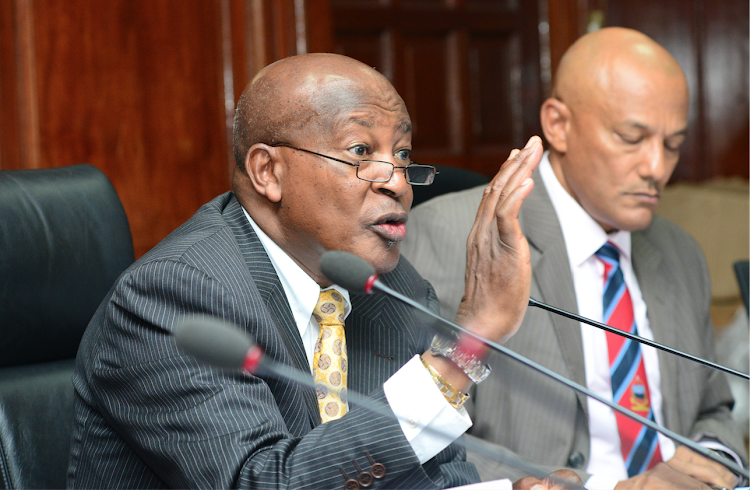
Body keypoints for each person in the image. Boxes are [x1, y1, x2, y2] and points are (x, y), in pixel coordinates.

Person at [66, 52, 577, 489]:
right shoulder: (176, 295)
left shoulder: (392, 288)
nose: (398, 182)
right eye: (361, 151)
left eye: (401, 154)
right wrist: (464, 348)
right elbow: (264, 481)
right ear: (269, 171)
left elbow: (430, 475)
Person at [401, 27, 747, 490]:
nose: (656, 168)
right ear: (558, 124)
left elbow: (714, 409)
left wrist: (710, 463)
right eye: (631, 137)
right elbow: (429, 440)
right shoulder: (453, 234)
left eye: (673, 145)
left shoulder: (680, 250)